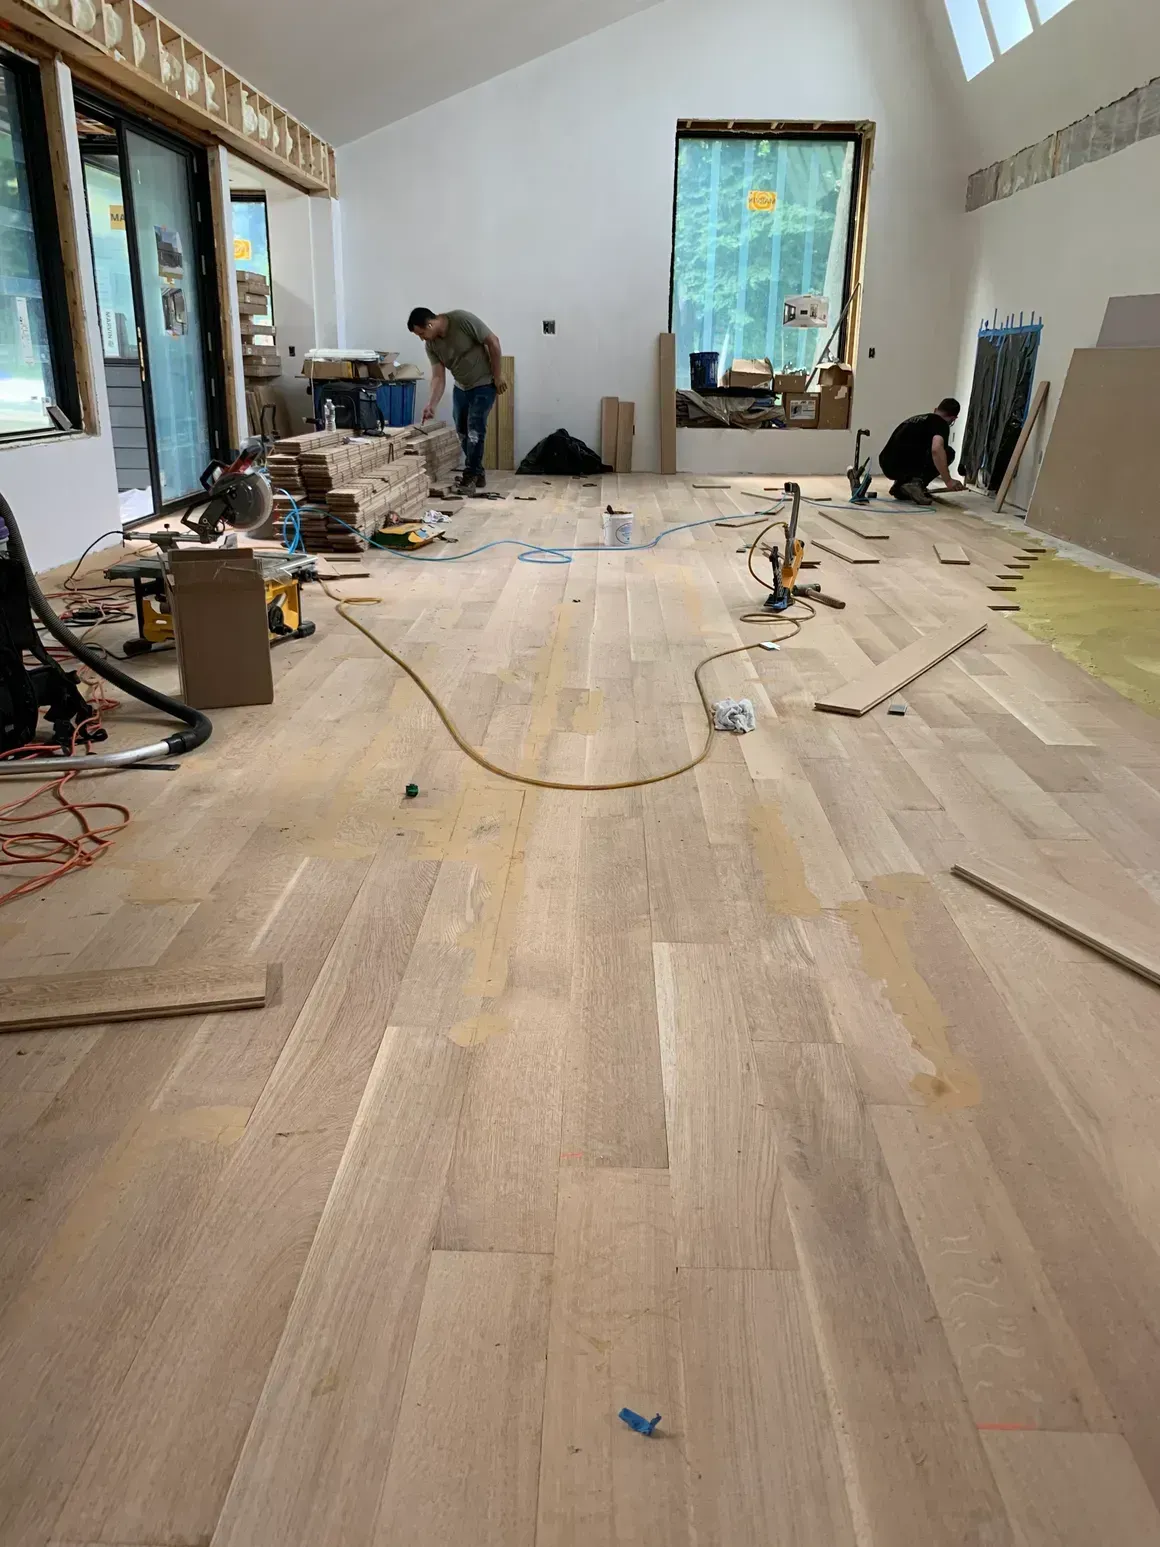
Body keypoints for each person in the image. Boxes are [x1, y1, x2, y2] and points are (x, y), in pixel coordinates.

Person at [408, 307, 508, 493]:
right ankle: (477, 473)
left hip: (484, 383)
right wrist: (431, 404)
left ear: (430, 324)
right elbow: (438, 377)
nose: (422, 339)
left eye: (422, 333)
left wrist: (498, 375)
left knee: (475, 430)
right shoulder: (431, 346)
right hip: (461, 387)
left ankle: (470, 475)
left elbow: (493, 341)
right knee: (462, 430)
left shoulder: (461, 320)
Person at [879, 398, 965, 505]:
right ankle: (916, 484)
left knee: (920, 450)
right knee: (948, 453)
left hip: (886, 463)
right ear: (953, 419)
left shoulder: (917, 419)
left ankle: (900, 487)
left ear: (935, 409)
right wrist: (948, 481)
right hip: (902, 465)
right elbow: (936, 449)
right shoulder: (941, 423)